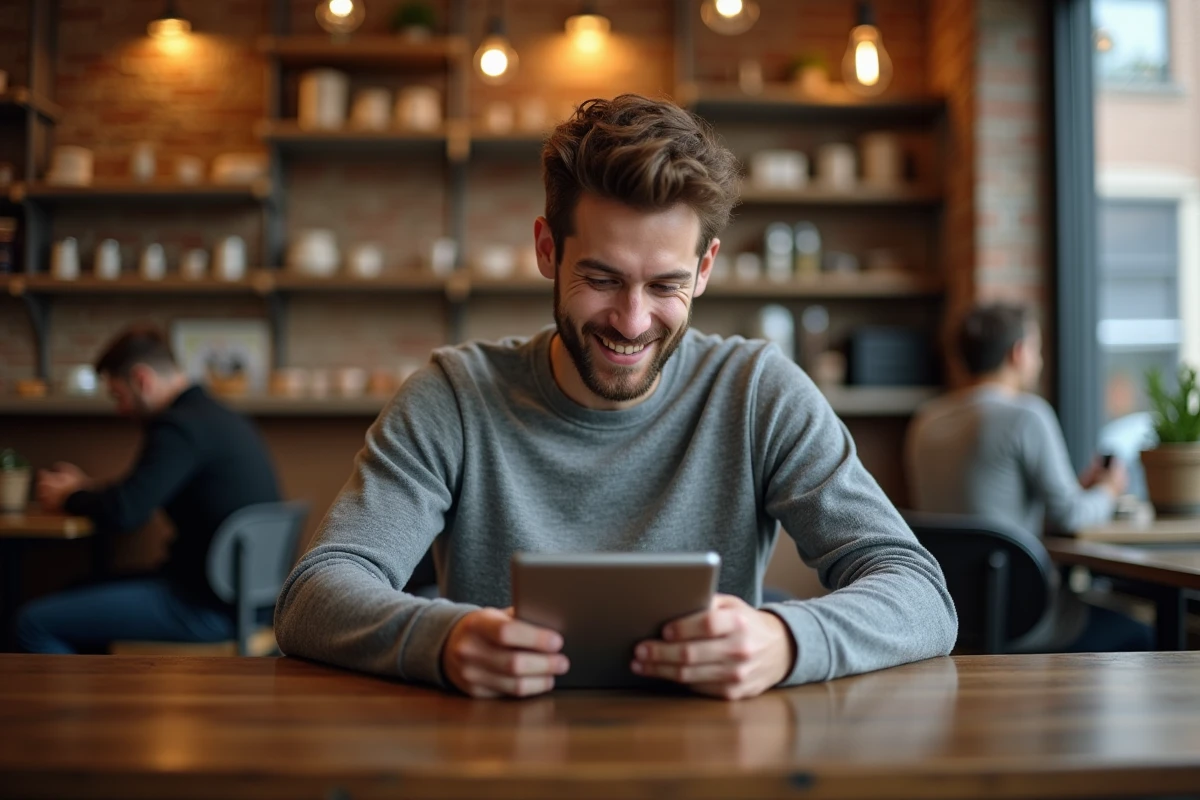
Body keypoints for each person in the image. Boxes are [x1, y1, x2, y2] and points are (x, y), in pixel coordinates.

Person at [275, 94, 957, 700]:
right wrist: (443, 642)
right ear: (548, 250)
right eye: (602, 279)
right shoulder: (453, 395)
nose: (632, 322)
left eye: (665, 286)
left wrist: (786, 640)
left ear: (706, 269)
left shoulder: (758, 391)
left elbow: (920, 593)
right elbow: (315, 594)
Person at [16, 325, 281, 653]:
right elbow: (135, 493)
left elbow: (126, 511)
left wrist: (70, 496)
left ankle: (74, 706)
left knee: (31, 622)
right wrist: (86, 489)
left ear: (142, 380)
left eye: (118, 395)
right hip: (245, 603)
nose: (120, 409)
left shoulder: (178, 427)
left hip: (204, 607)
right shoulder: (218, 416)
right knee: (80, 589)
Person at [905, 302, 1152, 652]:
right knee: (1139, 630)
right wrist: (1109, 490)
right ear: (1018, 353)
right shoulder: (1027, 415)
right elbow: (1072, 515)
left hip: (949, 611)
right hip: (1022, 615)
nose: (1039, 360)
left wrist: (1079, 489)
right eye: (1036, 350)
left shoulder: (925, 421)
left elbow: (985, 501)